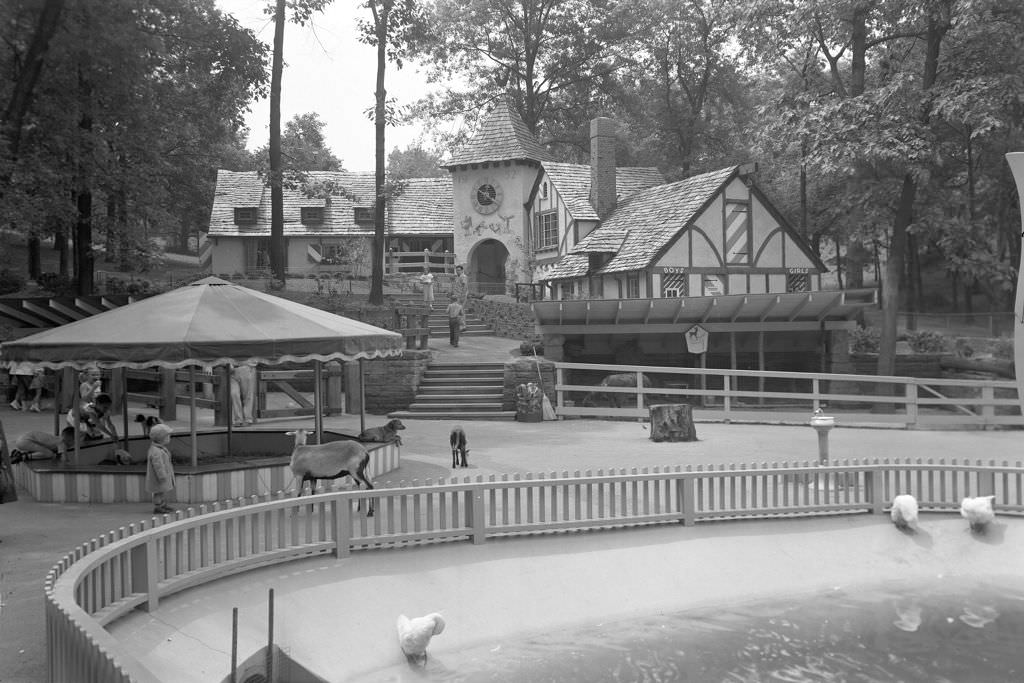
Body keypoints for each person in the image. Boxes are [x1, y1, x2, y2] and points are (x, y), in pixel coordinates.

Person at [145, 423, 175, 514]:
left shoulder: (160, 449)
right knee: (158, 492)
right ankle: (158, 506)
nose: (169, 438)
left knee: (162, 491)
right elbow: (158, 465)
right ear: (161, 438)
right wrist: (162, 476)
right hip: (159, 478)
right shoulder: (156, 451)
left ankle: (162, 504)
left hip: (162, 477)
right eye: (168, 436)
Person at [10, 428, 77, 463]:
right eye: (75, 441)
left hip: (21, 440)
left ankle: (19, 453)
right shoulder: (62, 443)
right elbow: (64, 459)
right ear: (70, 440)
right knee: (49, 454)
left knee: (43, 450)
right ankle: (23, 457)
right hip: (26, 441)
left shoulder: (55, 439)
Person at [452, 264, 469, 331]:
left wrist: (463, 296)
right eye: (456, 270)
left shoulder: (463, 277)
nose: (457, 272)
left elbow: (465, 287)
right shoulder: (458, 277)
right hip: (457, 296)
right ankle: (460, 325)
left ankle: (463, 326)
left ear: (462, 270)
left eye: (459, 270)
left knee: (461, 311)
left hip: (461, 296)